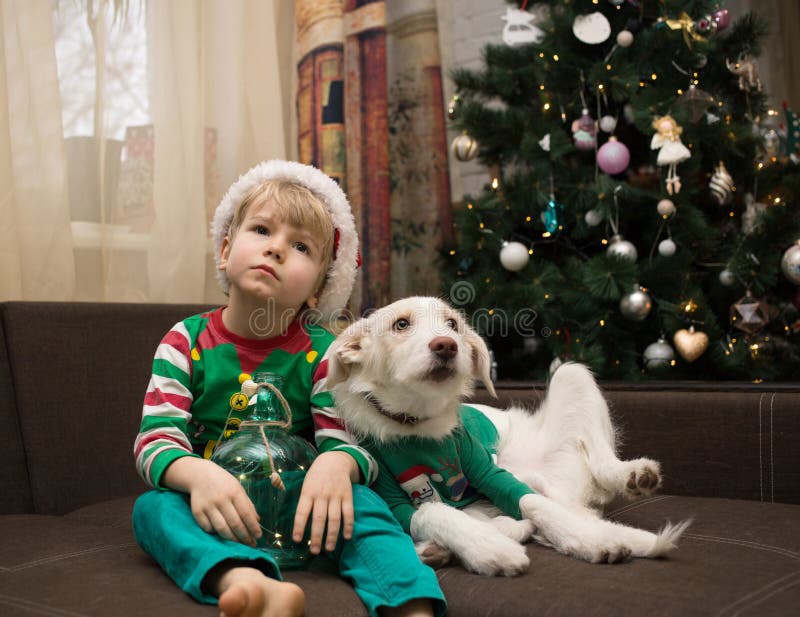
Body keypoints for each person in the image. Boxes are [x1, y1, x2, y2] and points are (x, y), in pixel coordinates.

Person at [132, 160, 446, 617]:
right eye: (261, 230)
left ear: (318, 288)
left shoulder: (326, 352)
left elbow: (352, 443)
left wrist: (336, 463)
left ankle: (410, 604)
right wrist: (197, 476)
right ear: (225, 250)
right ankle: (245, 581)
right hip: (217, 510)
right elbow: (155, 439)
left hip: (309, 511)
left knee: (365, 504)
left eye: (300, 246)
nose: (276, 249)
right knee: (153, 510)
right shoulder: (184, 341)